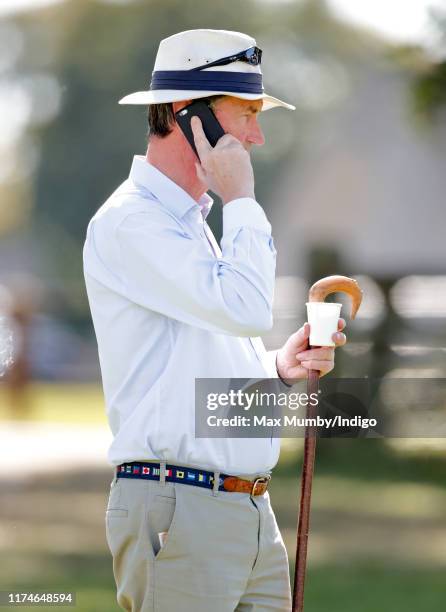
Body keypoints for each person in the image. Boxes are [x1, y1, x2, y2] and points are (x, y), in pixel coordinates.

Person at [83, 29, 346, 612]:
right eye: (245, 115)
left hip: (246, 510)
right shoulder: (131, 223)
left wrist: (278, 368)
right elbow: (246, 307)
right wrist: (243, 200)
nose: (255, 136)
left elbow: (208, 350)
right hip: (179, 509)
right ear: (189, 116)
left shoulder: (192, 222)